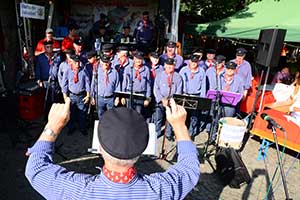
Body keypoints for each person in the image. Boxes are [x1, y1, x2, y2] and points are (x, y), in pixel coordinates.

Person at [25, 97, 200, 199]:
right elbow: (189, 167)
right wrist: (179, 127)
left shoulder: (77, 190)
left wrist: (52, 127)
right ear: (142, 151)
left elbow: (36, 169)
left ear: (99, 148)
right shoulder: (160, 189)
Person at [154, 58, 183, 141]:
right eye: (168, 65)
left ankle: (168, 134)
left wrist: (171, 101)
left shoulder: (178, 77)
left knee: (170, 119)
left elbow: (178, 91)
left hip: (172, 101)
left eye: (172, 66)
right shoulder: (159, 75)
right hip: (161, 100)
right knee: (158, 118)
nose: (170, 67)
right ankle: (157, 132)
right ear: (165, 66)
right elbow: (156, 89)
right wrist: (161, 99)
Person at [61, 54, 90, 135]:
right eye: (75, 63)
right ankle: (71, 128)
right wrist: (65, 97)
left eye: (78, 62)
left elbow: (87, 83)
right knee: (71, 113)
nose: (77, 64)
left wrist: (88, 95)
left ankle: (83, 128)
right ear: (71, 63)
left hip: (81, 96)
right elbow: (64, 84)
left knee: (82, 114)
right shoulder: (67, 71)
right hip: (71, 96)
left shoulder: (83, 71)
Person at [179, 54, 206, 139]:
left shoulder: (202, 71)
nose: (194, 63)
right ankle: (180, 132)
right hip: (185, 94)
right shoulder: (184, 70)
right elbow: (180, 83)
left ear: (198, 62)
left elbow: (203, 85)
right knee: (183, 115)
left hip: (196, 95)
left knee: (194, 116)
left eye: (196, 61)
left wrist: (202, 98)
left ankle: (191, 133)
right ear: (189, 61)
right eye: (192, 61)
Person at [35, 40, 61, 115]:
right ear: (44, 48)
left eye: (50, 47)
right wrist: (39, 80)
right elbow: (38, 69)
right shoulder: (40, 57)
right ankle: (46, 117)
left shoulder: (57, 57)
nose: (49, 48)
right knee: (46, 101)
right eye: (47, 47)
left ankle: (55, 116)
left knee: (56, 101)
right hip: (45, 82)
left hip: (55, 82)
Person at [90, 54, 120, 120]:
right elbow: (93, 85)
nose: (105, 64)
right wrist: (92, 96)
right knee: (100, 115)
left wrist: (117, 98)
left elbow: (117, 86)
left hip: (111, 98)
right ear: (100, 62)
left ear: (109, 62)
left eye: (107, 62)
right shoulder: (96, 71)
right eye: (103, 62)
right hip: (100, 98)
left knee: (111, 116)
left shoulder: (115, 72)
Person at [122, 51, 151, 116]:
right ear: (134, 59)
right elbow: (125, 82)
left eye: (140, 59)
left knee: (138, 114)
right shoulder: (128, 68)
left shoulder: (146, 69)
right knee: (128, 114)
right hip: (130, 94)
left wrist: (148, 98)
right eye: (137, 59)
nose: (138, 61)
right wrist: (123, 96)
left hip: (141, 94)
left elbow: (148, 85)